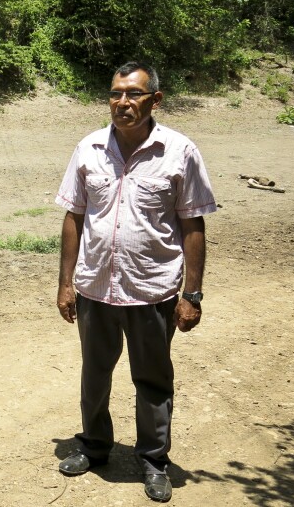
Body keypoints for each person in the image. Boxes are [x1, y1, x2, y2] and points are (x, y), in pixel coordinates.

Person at [54, 62, 217, 502]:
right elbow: (75, 216)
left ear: (155, 100)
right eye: (115, 94)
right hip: (95, 288)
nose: (122, 102)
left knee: (152, 379)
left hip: (152, 289)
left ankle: (153, 460)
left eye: (133, 94)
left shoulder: (179, 151)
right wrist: (66, 282)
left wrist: (192, 294)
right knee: (95, 373)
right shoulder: (88, 148)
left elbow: (192, 224)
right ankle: (94, 445)